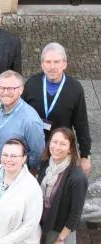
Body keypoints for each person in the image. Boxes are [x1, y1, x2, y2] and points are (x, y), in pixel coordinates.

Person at [22, 43, 91, 175]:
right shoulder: (32, 83)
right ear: (42, 64)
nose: (52, 67)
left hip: (61, 148)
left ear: (64, 64)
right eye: (48, 62)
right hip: (34, 146)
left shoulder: (75, 88)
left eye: (57, 62)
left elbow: (81, 124)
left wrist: (85, 155)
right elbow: (20, 116)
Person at [0, 70, 45, 172]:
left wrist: (22, 169)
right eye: (2, 88)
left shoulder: (31, 121)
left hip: (13, 172)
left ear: (21, 90)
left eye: (10, 89)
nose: (5, 92)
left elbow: (37, 153)